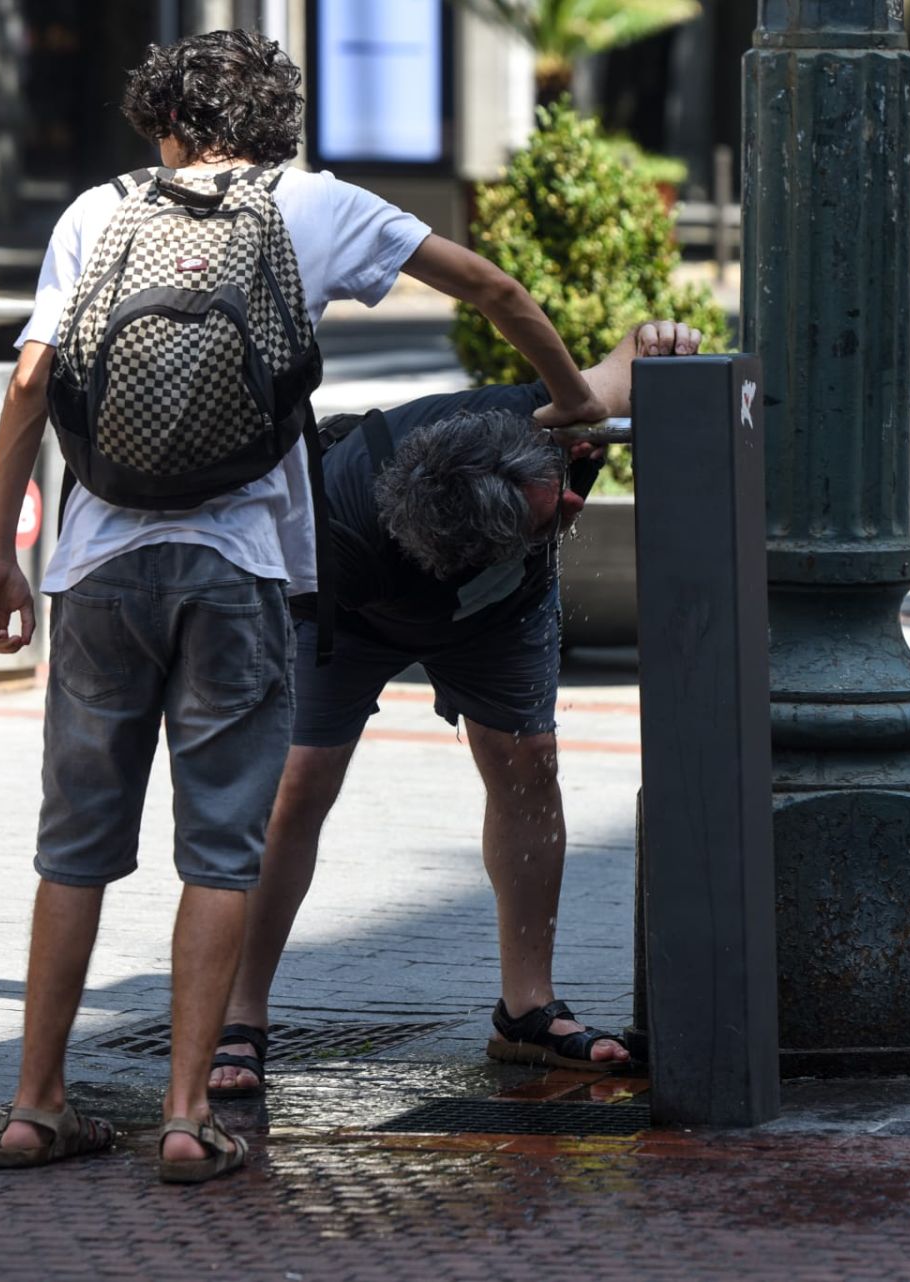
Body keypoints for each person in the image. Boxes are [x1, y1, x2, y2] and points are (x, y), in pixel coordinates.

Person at [0, 29, 604, 1184]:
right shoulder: (313, 204)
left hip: (99, 566)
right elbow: (494, 289)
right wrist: (568, 404)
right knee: (220, 848)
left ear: (163, 121)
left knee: (73, 849)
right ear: (276, 121)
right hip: (244, 564)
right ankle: (184, 1115)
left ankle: (35, 1102)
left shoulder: (95, 214)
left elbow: (29, 380)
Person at [207, 319, 704, 1097]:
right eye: (556, 516)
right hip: (344, 615)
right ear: (467, 551)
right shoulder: (329, 537)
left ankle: (526, 1012)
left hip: (501, 612)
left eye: (563, 485)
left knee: (528, 765)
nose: (576, 499)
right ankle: (238, 1015)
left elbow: (624, 363)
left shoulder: (536, 421)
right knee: (298, 779)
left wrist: (661, 340)